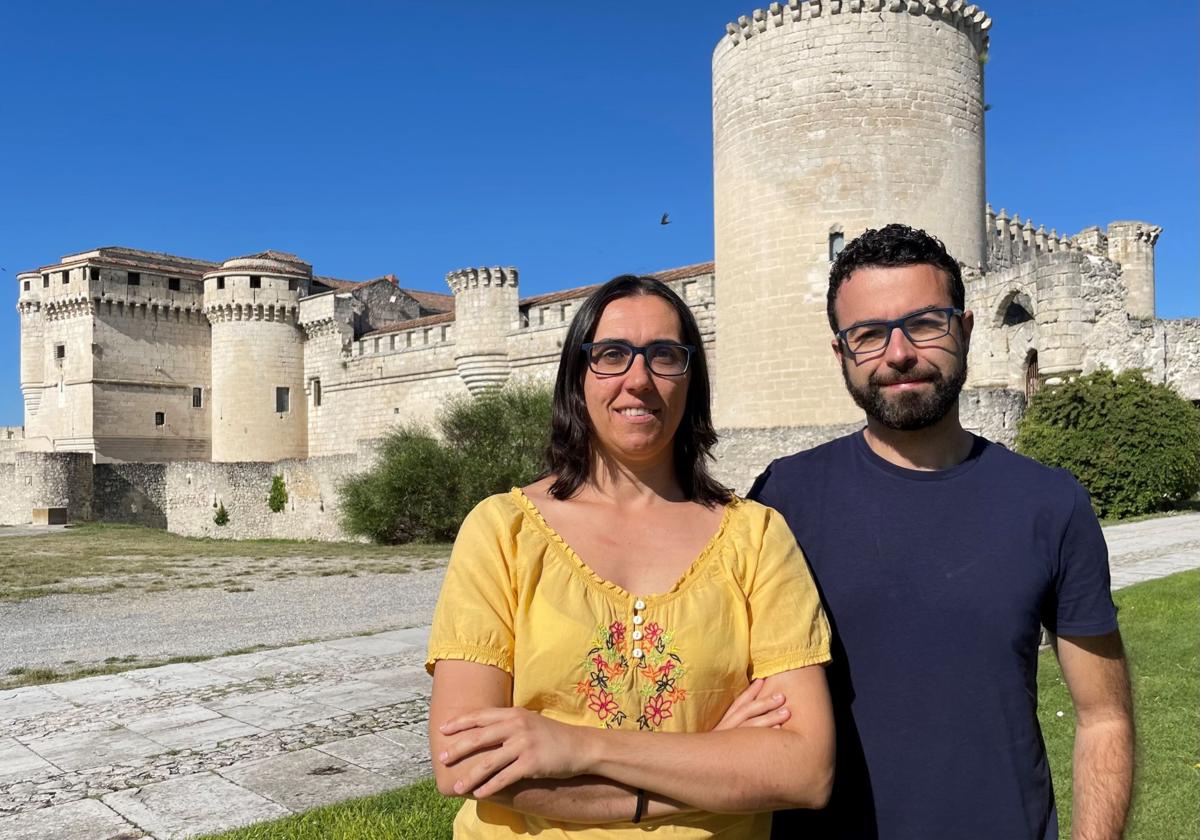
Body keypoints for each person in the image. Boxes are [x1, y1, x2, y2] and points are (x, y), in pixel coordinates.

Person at [749, 224, 1135, 840]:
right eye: (868, 334)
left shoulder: (1049, 502)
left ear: (967, 329)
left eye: (925, 322)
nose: (898, 353)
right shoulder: (781, 500)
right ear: (841, 353)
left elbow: (1104, 715)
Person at [426, 274, 835, 838]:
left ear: (692, 380)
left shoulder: (757, 536)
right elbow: (467, 764)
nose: (638, 379)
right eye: (612, 355)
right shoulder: (504, 530)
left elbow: (805, 772)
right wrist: (713, 766)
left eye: (664, 355)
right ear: (578, 376)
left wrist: (576, 746)